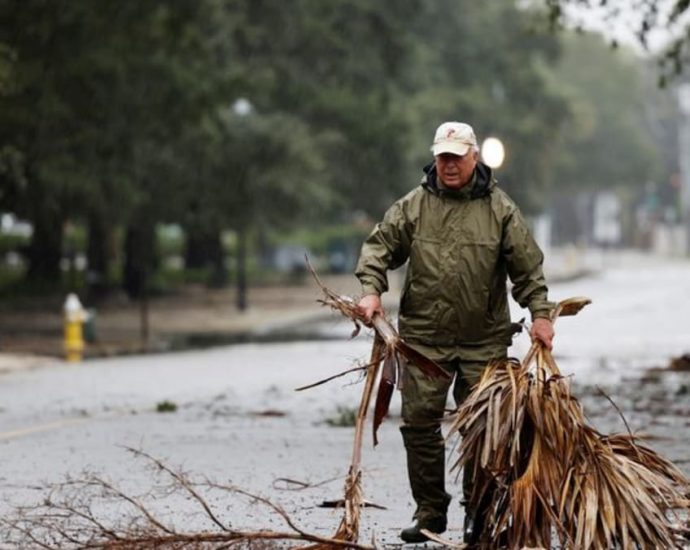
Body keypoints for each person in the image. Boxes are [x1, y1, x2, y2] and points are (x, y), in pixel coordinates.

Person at [355, 121, 554, 544]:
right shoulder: (414, 206)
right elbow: (379, 248)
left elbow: (527, 269)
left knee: (481, 428)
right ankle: (430, 511)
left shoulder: (501, 210)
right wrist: (370, 291)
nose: (448, 165)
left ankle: (476, 513)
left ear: (474, 157)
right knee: (419, 423)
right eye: (442, 156)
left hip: (483, 340)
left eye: (456, 157)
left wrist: (540, 314)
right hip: (424, 340)